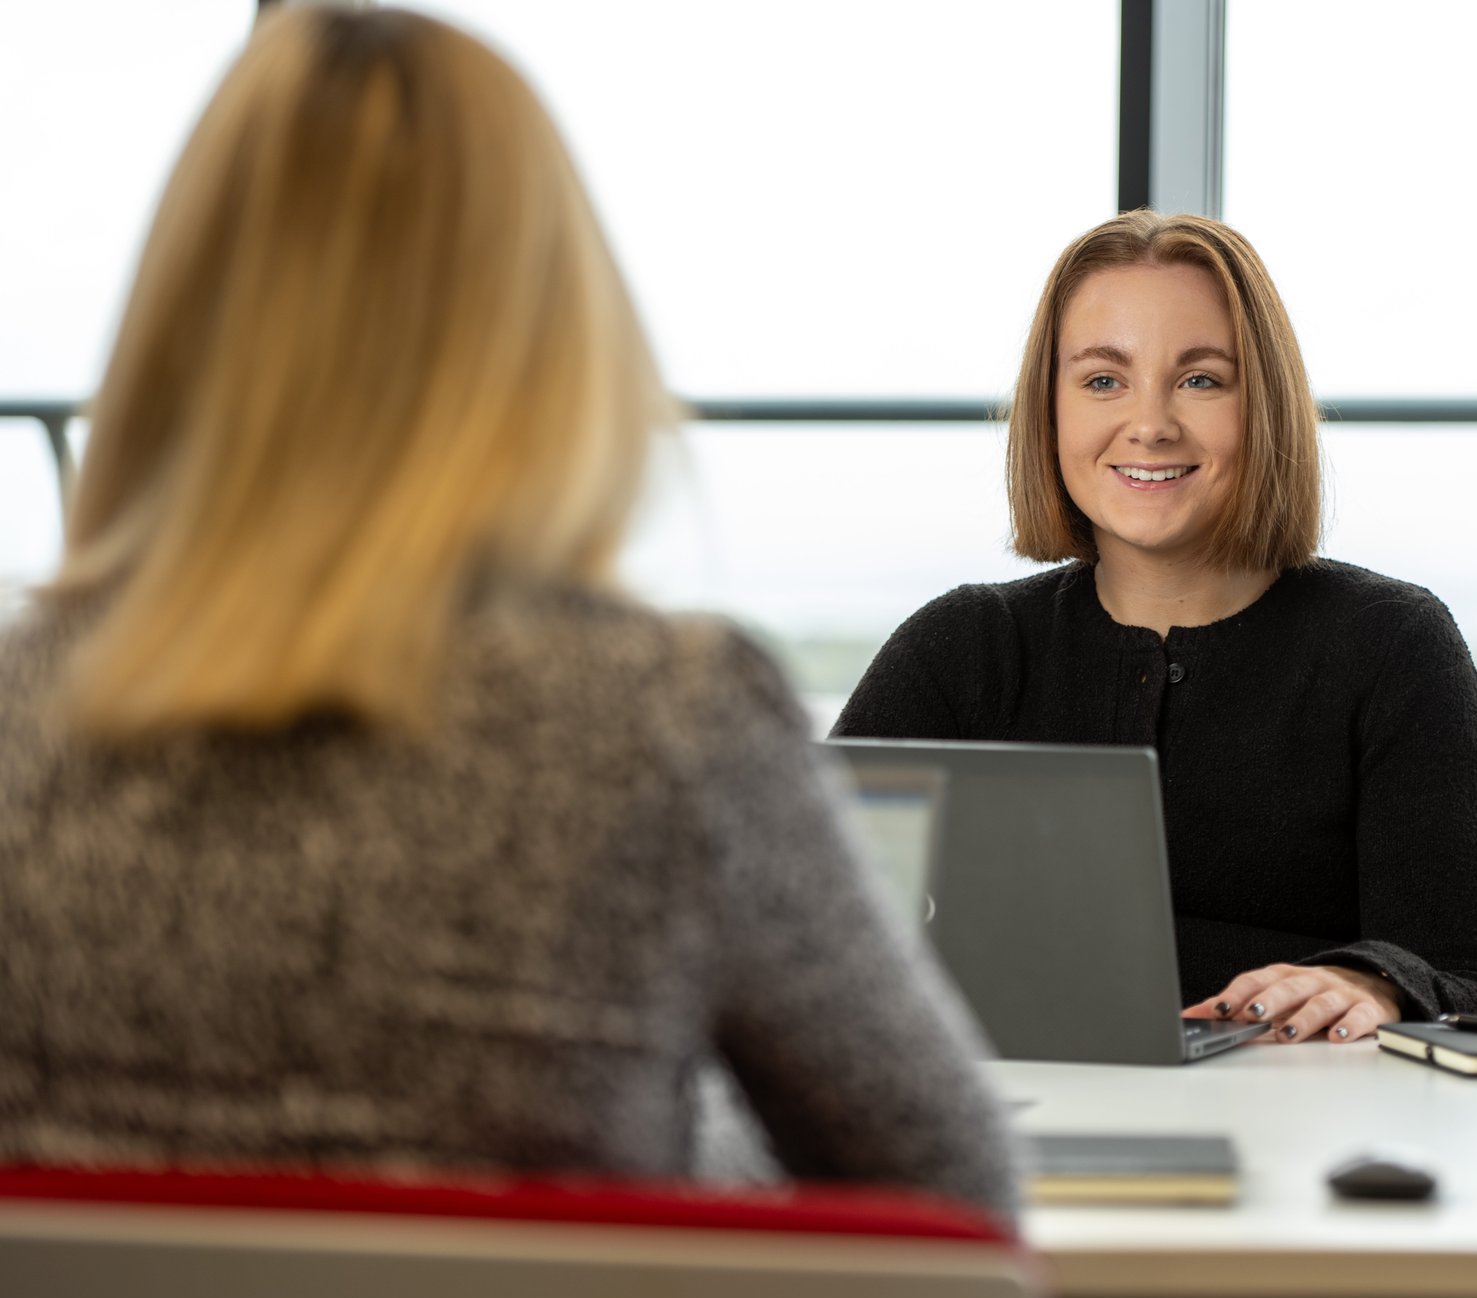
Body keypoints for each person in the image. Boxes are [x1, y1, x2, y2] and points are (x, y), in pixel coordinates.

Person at [0, 7, 1014, 1222]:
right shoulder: (668, 720)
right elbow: (953, 1207)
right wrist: (661, 1121)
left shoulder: (17, 712)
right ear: (554, 326)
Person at [834, 211, 1477, 1044]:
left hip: (1303, 1126)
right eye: (1102, 381)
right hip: (1010, 1120)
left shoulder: (1391, 643)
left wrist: (1371, 982)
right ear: (1049, 411)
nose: (1151, 423)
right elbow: (793, 916)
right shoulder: (961, 648)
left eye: (1201, 380)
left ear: (1264, 405)